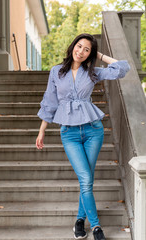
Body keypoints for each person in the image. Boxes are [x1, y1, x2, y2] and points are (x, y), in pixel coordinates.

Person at [36, 33, 130, 240]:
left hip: (93, 130)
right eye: (79, 46)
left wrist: (101, 55)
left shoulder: (93, 72)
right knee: (86, 179)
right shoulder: (56, 72)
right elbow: (49, 102)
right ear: (72, 47)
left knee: (86, 180)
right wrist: (42, 130)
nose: (81, 51)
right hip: (69, 133)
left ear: (90, 54)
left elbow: (122, 68)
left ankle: (80, 220)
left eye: (87, 49)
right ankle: (96, 227)